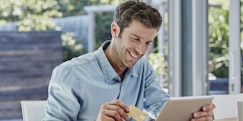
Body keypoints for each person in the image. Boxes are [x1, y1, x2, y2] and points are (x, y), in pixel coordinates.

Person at [43, 0, 215, 121]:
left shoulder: (142, 68)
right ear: (115, 30)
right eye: (135, 39)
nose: (140, 50)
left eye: (147, 43)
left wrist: (191, 116)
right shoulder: (71, 74)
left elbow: (160, 106)